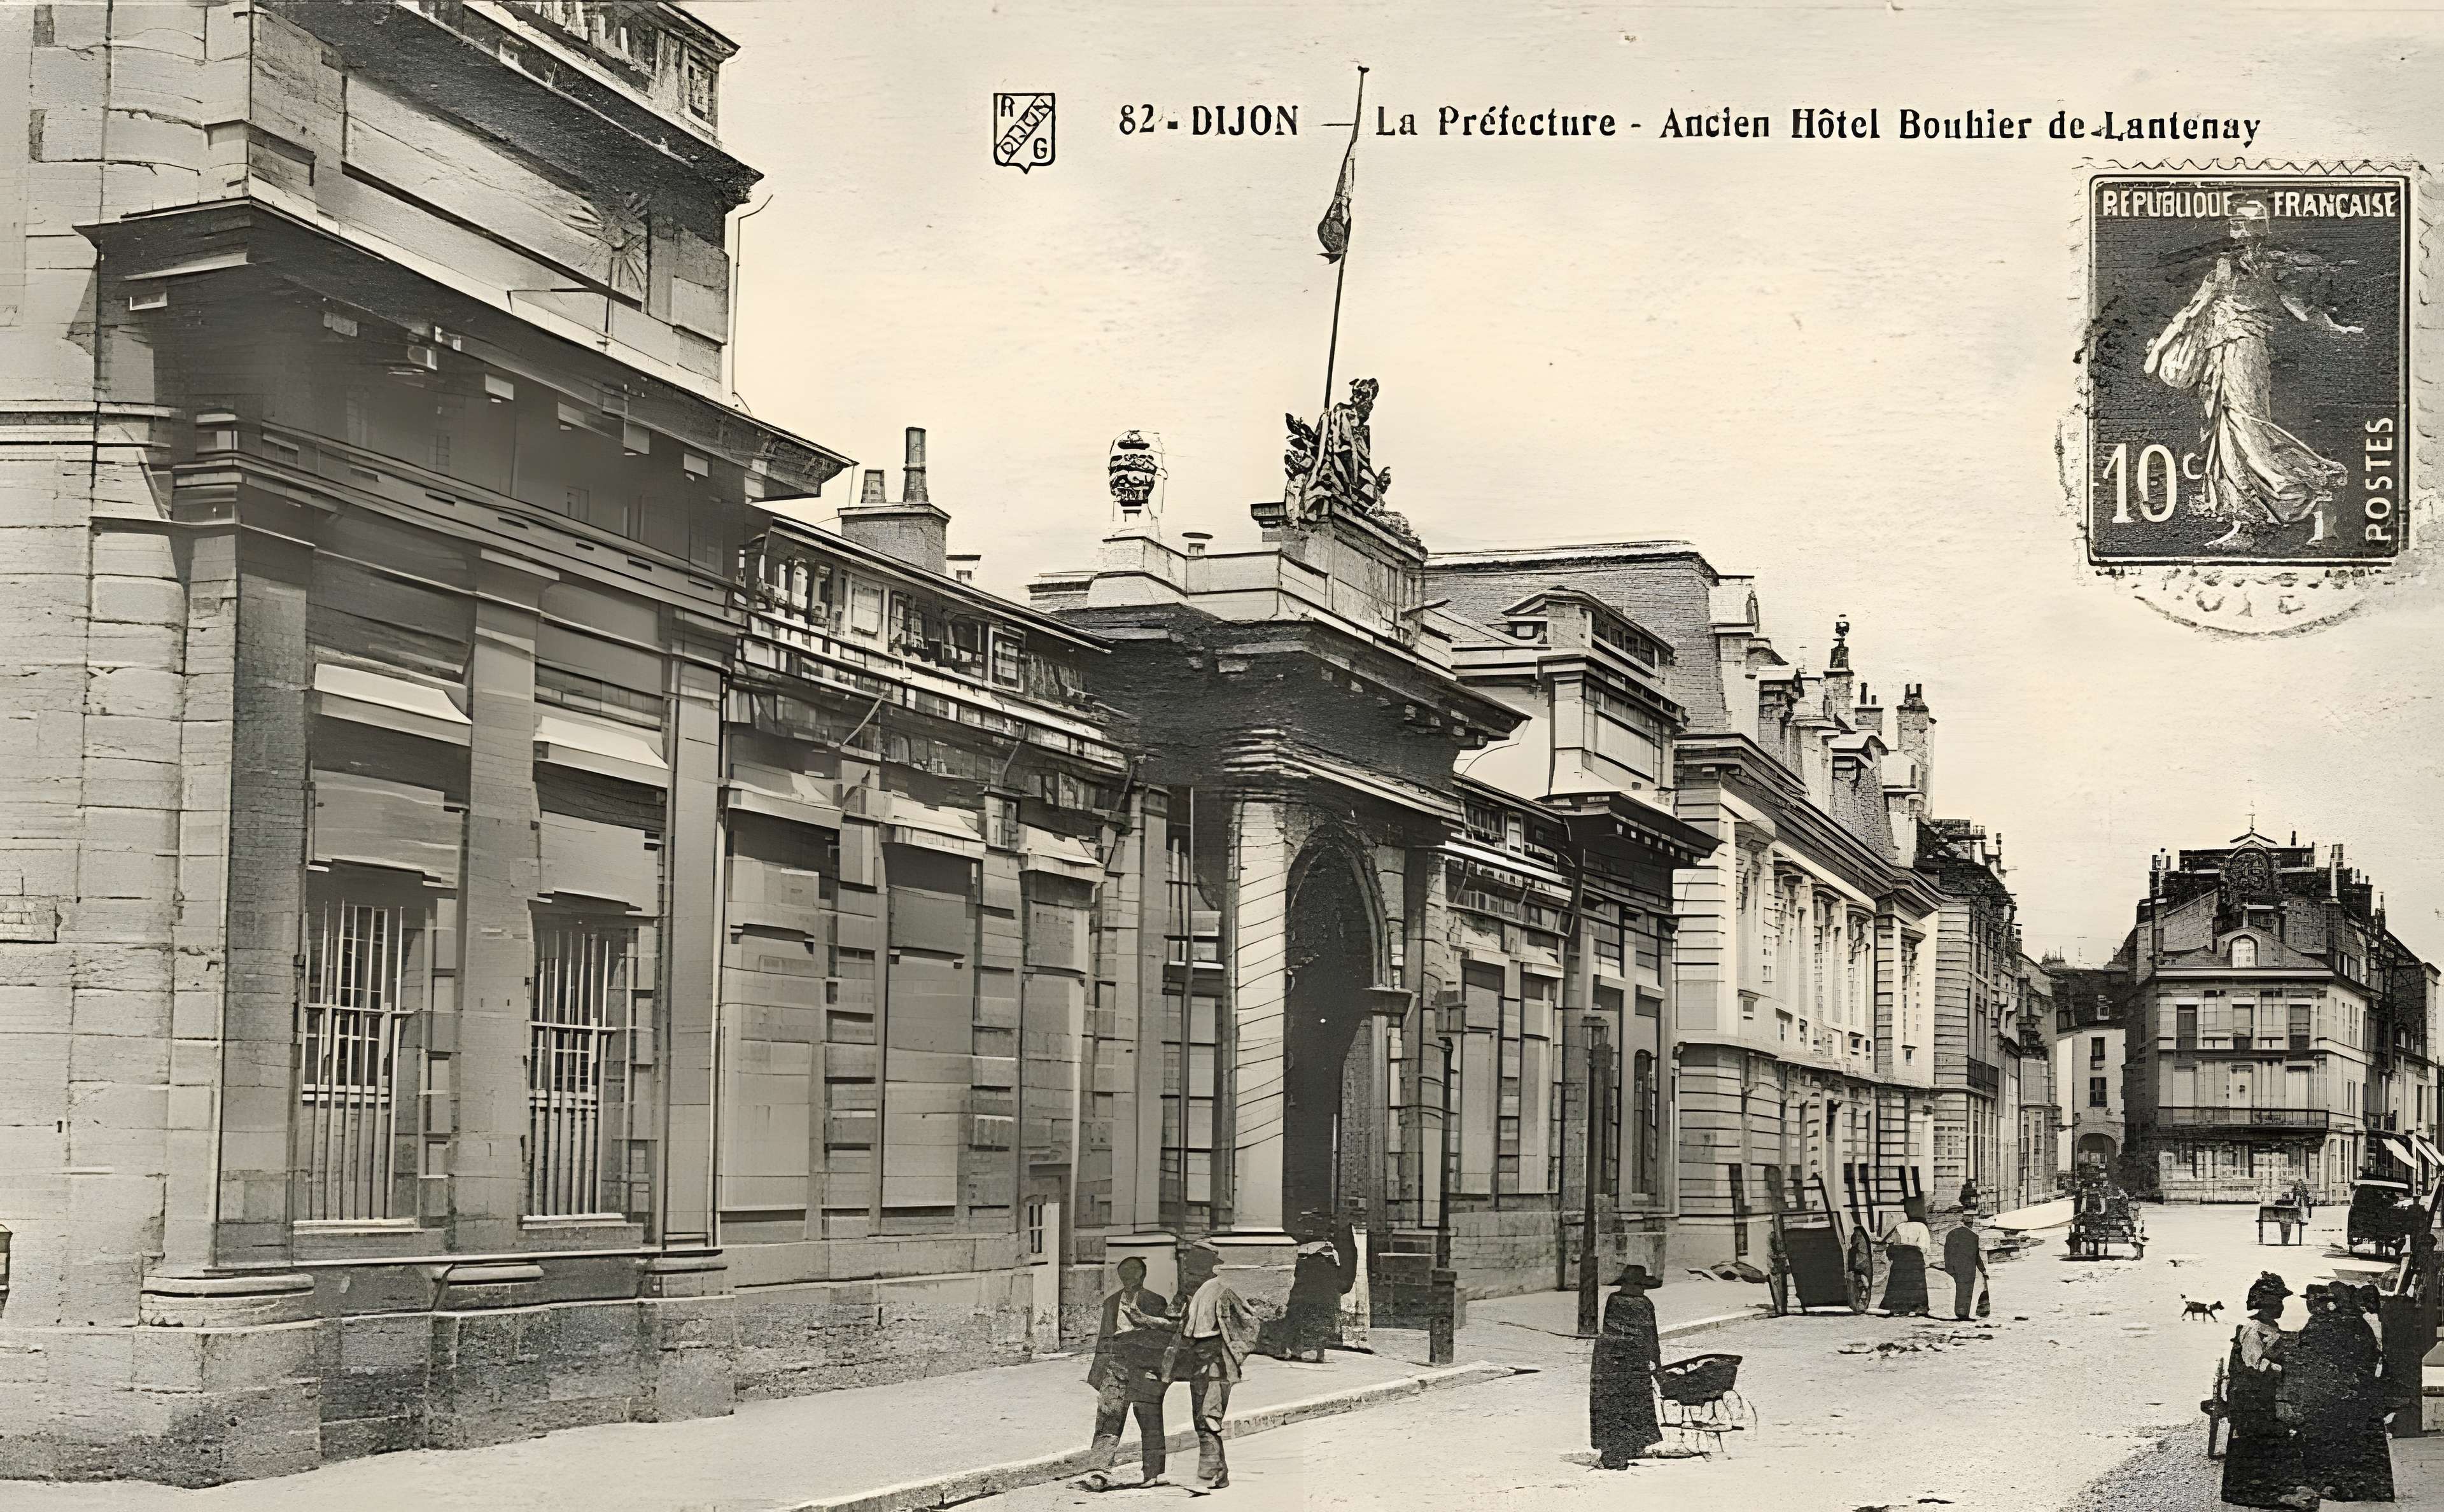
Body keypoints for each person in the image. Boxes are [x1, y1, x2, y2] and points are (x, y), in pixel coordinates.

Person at [2145, 199, 2363, 550]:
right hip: (2217, 354)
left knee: (2250, 430)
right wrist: (2161, 348)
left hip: (2245, 351)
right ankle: (2247, 523)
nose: (2242, 231)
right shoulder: (2223, 266)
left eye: (2249, 223)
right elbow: (2194, 309)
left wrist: (2337, 329)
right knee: (2225, 434)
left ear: (2263, 227)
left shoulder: (2271, 265)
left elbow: (2302, 309)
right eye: (2236, 224)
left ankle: (2322, 488)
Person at [2223, 1271, 2320, 1510]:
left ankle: (2281, 1485)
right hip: (2251, 1398)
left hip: (2266, 1394)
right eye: (2277, 1302)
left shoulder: (2271, 1328)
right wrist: (2283, 1368)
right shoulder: (2252, 1330)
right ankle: (2267, 1492)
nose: (2281, 1307)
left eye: (2281, 1302)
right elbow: (2256, 1364)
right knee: (2265, 1438)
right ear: (2264, 1305)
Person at [1077, 1256, 1171, 1490]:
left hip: (1144, 1370)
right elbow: (1104, 1338)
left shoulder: (1156, 1301)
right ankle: (1098, 1473)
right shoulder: (1111, 1303)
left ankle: (1152, 1473)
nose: (1128, 1277)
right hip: (1115, 1369)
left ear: (1143, 1275)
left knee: (1150, 1420)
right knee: (1108, 1420)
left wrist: (1159, 1373)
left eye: (1133, 1272)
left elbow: (1163, 1340)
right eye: (1124, 1273)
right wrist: (1099, 1373)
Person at [1170, 1243, 1260, 1492]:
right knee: (1202, 1418)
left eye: (1193, 1264)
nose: (1188, 1269)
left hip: (1216, 1364)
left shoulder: (1221, 1291)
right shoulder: (1191, 1293)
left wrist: (1234, 1356)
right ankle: (1220, 1474)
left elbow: (1250, 1324)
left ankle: (1207, 1476)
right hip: (1200, 1364)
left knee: (1209, 1418)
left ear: (1206, 1267)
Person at [2293, 1283, 2394, 1501]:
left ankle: (2330, 1483)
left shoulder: (2337, 1324)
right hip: (2347, 1392)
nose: (2315, 1306)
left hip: (2337, 1393)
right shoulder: (2354, 1324)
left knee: (2331, 1440)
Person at [1589, 1263, 1664, 1468]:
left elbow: (1610, 1330)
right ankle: (1621, 1451)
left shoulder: (1616, 1300)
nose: (1641, 1289)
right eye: (1640, 1285)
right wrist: (1657, 1363)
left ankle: (1619, 1449)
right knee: (1630, 1406)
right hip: (1627, 1361)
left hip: (1612, 1361)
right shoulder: (1642, 1304)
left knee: (1615, 1407)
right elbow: (1651, 1337)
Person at [1880, 1198, 1933, 1317]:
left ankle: (1898, 1308)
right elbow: (1924, 1246)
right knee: (1916, 1282)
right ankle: (1919, 1308)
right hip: (1914, 1256)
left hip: (1900, 1256)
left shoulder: (1900, 1226)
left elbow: (1893, 1242)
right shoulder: (1921, 1226)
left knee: (1900, 1281)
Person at [1943, 1214, 1988, 1322]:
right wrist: (1983, 1269)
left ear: (1963, 1222)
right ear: (1972, 1224)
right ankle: (1963, 1313)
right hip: (1969, 1268)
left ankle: (1959, 1312)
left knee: (1959, 1289)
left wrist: (1949, 1267)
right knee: (1967, 1291)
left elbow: (1947, 1252)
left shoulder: (1952, 1233)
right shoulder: (1974, 1236)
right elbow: (1977, 1256)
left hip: (1955, 1267)